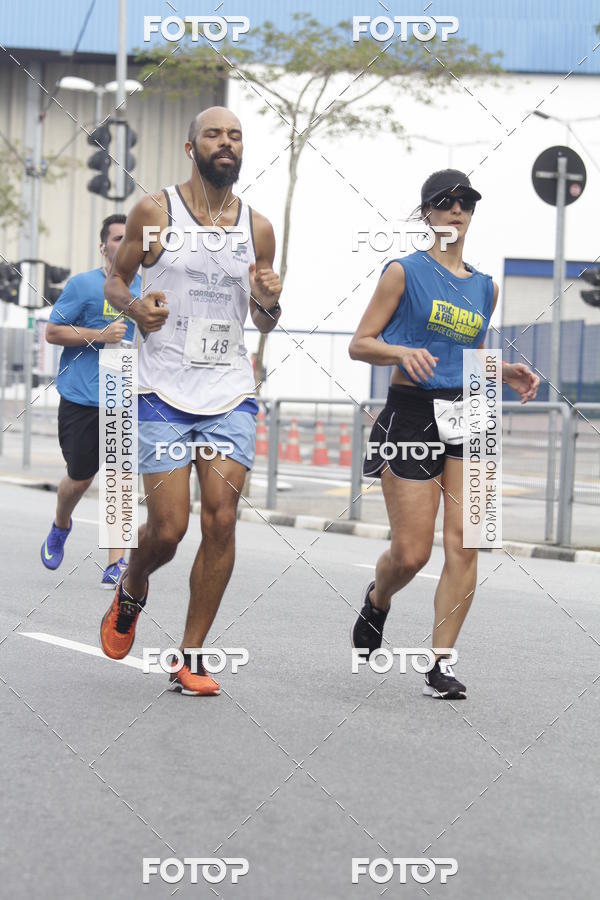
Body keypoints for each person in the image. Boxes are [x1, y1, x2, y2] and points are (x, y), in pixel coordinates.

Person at [99, 106, 282, 696]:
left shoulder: (257, 227)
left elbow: (263, 320)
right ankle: (133, 582)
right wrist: (134, 308)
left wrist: (268, 302)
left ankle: (192, 656)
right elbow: (115, 281)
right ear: (190, 147)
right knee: (169, 529)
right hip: (162, 390)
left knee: (222, 519)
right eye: (214, 134)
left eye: (234, 136)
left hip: (229, 390)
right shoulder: (155, 211)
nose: (225, 143)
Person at [349, 169, 539, 699]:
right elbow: (360, 343)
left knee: (467, 541)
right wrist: (399, 352)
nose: (457, 210)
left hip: (472, 409)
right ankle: (378, 598)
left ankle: (440, 662)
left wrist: (503, 369)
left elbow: (467, 355)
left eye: (466, 203)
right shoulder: (402, 272)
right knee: (412, 553)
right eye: (446, 202)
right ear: (428, 212)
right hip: (411, 411)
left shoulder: (485, 286)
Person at [42, 215, 142, 586]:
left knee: (119, 479)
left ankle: (116, 562)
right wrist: (97, 334)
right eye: (117, 238)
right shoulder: (83, 285)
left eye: (129, 238)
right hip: (81, 396)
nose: (122, 243)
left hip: (121, 392)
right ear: (104, 246)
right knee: (79, 480)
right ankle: (61, 524)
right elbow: (52, 331)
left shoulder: (145, 289)